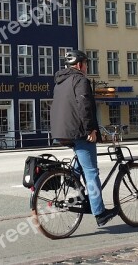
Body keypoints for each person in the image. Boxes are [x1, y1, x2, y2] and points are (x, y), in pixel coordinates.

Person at [50, 50, 118, 228]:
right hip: (78, 132)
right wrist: (91, 130)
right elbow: (84, 106)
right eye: (86, 64)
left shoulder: (60, 81)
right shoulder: (80, 80)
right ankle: (100, 213)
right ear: (80, 65)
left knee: (81, 165)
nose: (87, 67)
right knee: (92, 172)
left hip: (61, 131)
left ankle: (72, 182)